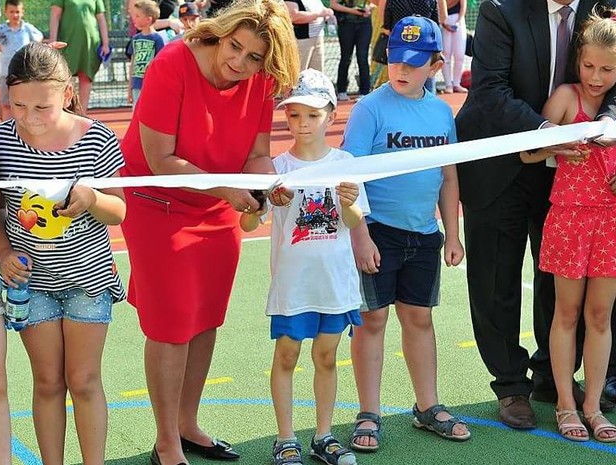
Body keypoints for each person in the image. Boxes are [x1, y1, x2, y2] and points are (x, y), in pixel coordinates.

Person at [118, 0, 299, 463]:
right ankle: (166, 442)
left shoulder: (263, 80)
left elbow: (257, 155)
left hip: (218, 207)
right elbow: (160, 160)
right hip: (159, 203)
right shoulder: (171, 63)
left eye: (254, 57)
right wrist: (230, 190)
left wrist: (268, 184)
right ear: (221, 33)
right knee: (172, 324)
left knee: (205, 318)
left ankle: (187, 424)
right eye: (234, 46)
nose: (239, 62)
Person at [455, 0, 616, 431]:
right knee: (496, 280)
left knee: (561, 286)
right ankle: (510, 385)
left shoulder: (602, 10)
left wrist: (606, 123)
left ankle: (553, 378)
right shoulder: (500, 10)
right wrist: (549, 134)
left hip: (573, 174)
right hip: (503, 161)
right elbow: (490, 90)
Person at [0, 42, 126, 465]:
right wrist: (2, 250)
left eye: (42, 107)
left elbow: (119, 210)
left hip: (89, 281)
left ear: (67, 94)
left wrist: (92, 198)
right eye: (18, 105)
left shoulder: (97, 138)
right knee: (47, 382)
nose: (29, 118)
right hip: (31, 285)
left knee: (83, 380)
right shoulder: (0, 140)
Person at [342, 15, 470, 452]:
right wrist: (361, 236)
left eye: (414, 63)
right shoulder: (370, 108)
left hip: (424, 235)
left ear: (436, 65)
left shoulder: (441, 112)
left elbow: (448, 176)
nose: (401, 69)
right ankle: (369, 412)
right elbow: (349, 177)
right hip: (378, 232)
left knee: (419, 317)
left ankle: (427, 406)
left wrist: (452, 233)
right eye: (396, 59)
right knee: (372, 320)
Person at [240, 69, 367, 465]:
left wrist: (348, 203)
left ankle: (324, 436)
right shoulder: (276, 168)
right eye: (294, 114)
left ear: (331, 115)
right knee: (287, 357)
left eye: (312, 114)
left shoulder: (345, 162)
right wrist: (262, 201)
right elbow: (247, 223)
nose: (303, 123)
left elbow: (353, 221)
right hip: (293, 287)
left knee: (326, 357)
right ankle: (285, 439)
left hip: (334, 285)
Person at [516, 11, 616, 443]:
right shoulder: (564, 97)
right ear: (578, 60)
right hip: (570, 218)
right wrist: (557, 145)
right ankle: (565, 403)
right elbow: (526, 153)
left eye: (607, 69)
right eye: (589, 65)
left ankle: (593, 406)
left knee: (600, 316)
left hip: (610, 222)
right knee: (567, 313)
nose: (596, 77)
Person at [0, 0, 44, 120]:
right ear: (6, 12)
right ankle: (7, 125)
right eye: (11, 12)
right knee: (6, 104)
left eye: (17, 12)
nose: (15, 15)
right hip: (6, 73)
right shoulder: (1, 30)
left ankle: (24, 125)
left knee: (25, 103)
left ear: (22, 12)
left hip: (24, 73)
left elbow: (39, 37)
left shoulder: (27, 28)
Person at [49, 0, 110, 115]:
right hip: (67, 41)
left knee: (86, 77)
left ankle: (82, 114)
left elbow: (101, 19)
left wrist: (105, 43)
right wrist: (53, 41)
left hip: (90, 43)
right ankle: (65, 113)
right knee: (65, 78)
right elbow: (55, 15)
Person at [330, 0, 373, 101]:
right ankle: (341, 90)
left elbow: (375, 3)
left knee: (362, 58)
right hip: (346, 24)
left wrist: (368, 8)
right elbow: (333, 4)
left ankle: (365, 92)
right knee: (346, 57)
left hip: (365, 24)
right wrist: (352, 10)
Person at [126, 0, 165, 106]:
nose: (134, 18)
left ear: (148, 19)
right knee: (137, 112)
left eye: (138, 16)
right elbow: (132, 64)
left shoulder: (158, 39)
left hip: (152, 85)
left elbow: (161, 65)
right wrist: (129, 88)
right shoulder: (135, 39)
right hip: (137, 85)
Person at [285, 0, 334, 71]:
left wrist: (328, 13)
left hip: (318, 38)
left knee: (317, 73)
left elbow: (323, 10)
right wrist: (319, 14)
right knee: (299, 72)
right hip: (302, 40)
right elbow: (293, 16)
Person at [440, 0, 467, 93]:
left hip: (458, 21)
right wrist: (444, 24)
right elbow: (439, 6)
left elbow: (463, 5)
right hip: (444, 22)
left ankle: (456, 84)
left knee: (460, 55)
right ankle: (448, 84)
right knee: (445, 54)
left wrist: (459, 21)